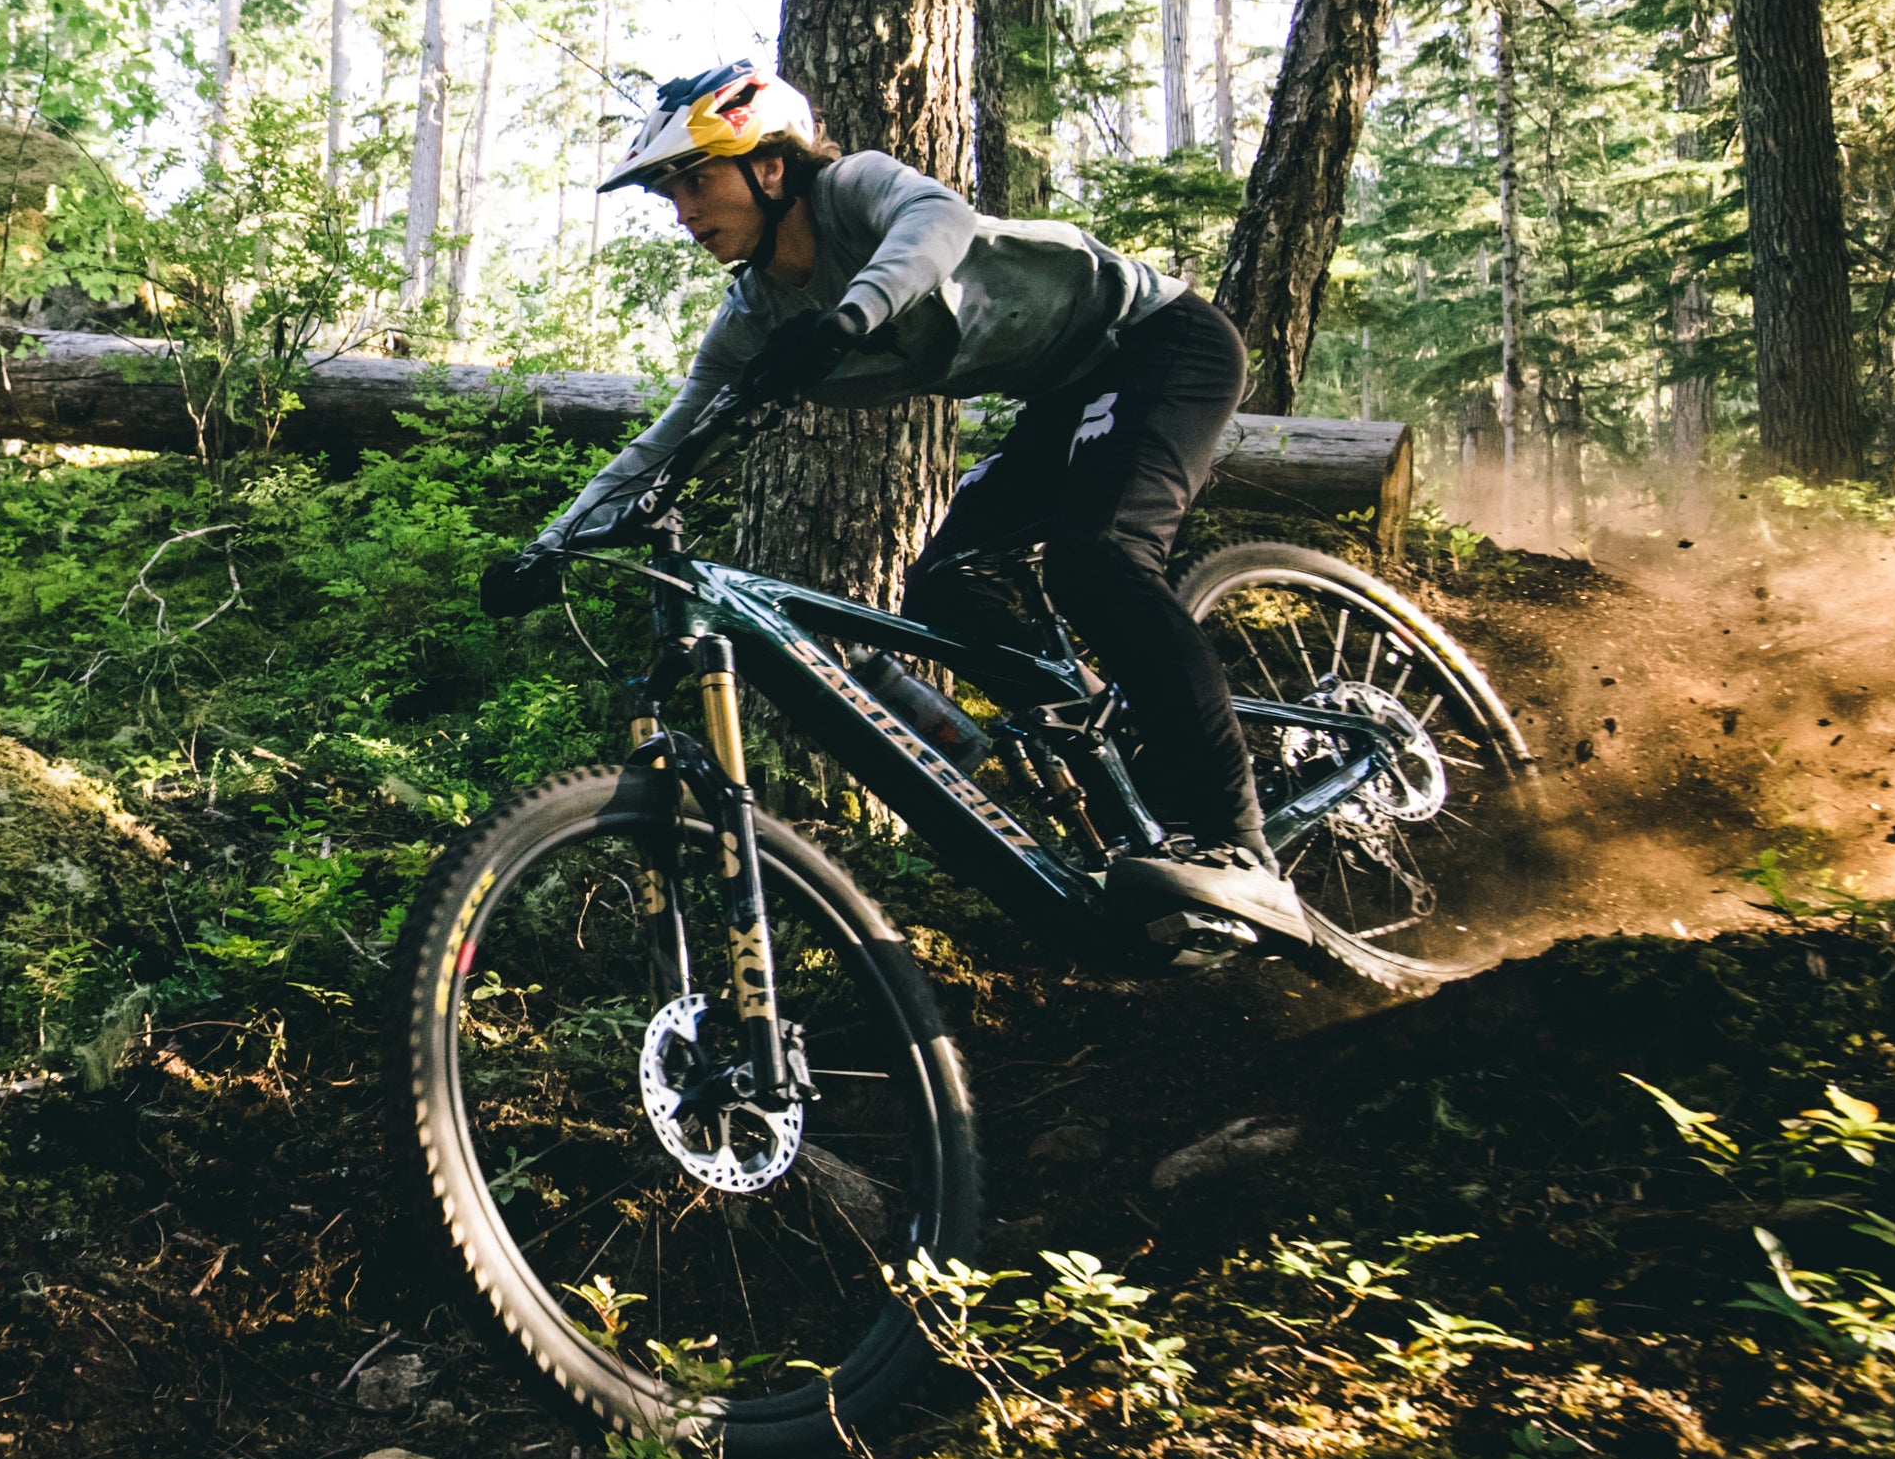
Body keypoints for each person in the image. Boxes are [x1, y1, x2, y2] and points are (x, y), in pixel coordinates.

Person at [477, 59, 1299, 939]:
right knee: (947, 585)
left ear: (771, 164)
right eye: (669, 193)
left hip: (1159, 342)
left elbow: (938, 217)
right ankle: (1120, 731)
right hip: (1064, 396)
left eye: (697, 180)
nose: (683, 213)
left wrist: (850, 315)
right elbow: (668, 439)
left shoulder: (851, 189)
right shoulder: (753, 316)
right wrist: (552, 543)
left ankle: (1239, 845)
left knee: (1096, 557)